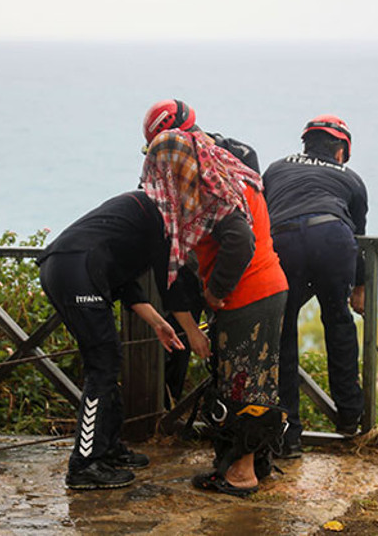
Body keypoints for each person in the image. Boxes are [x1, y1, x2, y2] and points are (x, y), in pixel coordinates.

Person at [140, 123, 288, 497]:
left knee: (239, 387)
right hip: (270, 287)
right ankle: (259, 464)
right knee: (258, 384)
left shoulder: (210, 192)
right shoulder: (232, 175)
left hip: (246, 296)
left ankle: (240, 475)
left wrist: (214, 291)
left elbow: (240, 239)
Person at [37, 191, 202, 490]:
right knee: (101, 365)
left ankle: (107, 448)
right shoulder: (162, 216)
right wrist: (192, 331)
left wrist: (158, 323)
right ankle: (84, 464)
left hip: (67, 267)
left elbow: (125, 282)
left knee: (108, 361)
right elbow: (171, 286)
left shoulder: (142, 211)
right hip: (76, 269)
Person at [139, 99, 261, 406]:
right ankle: (194, 413)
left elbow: (241, 229)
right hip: (231, 269)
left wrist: (215, 287)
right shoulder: (241, 155)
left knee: (211, 348)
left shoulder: (220, 158)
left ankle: (184, 412)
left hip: (213, 268)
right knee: (230, 352)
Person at [262, 114, 368, 457]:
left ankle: (288, 434)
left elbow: (262, 217)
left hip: (284, 241)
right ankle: (350, 418)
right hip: (332, 238)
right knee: (338, 321)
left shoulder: (276, 168)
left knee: (283, 332)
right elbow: (359, 238)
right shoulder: (351, 179)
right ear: (340, 151)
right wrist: (360, 288)